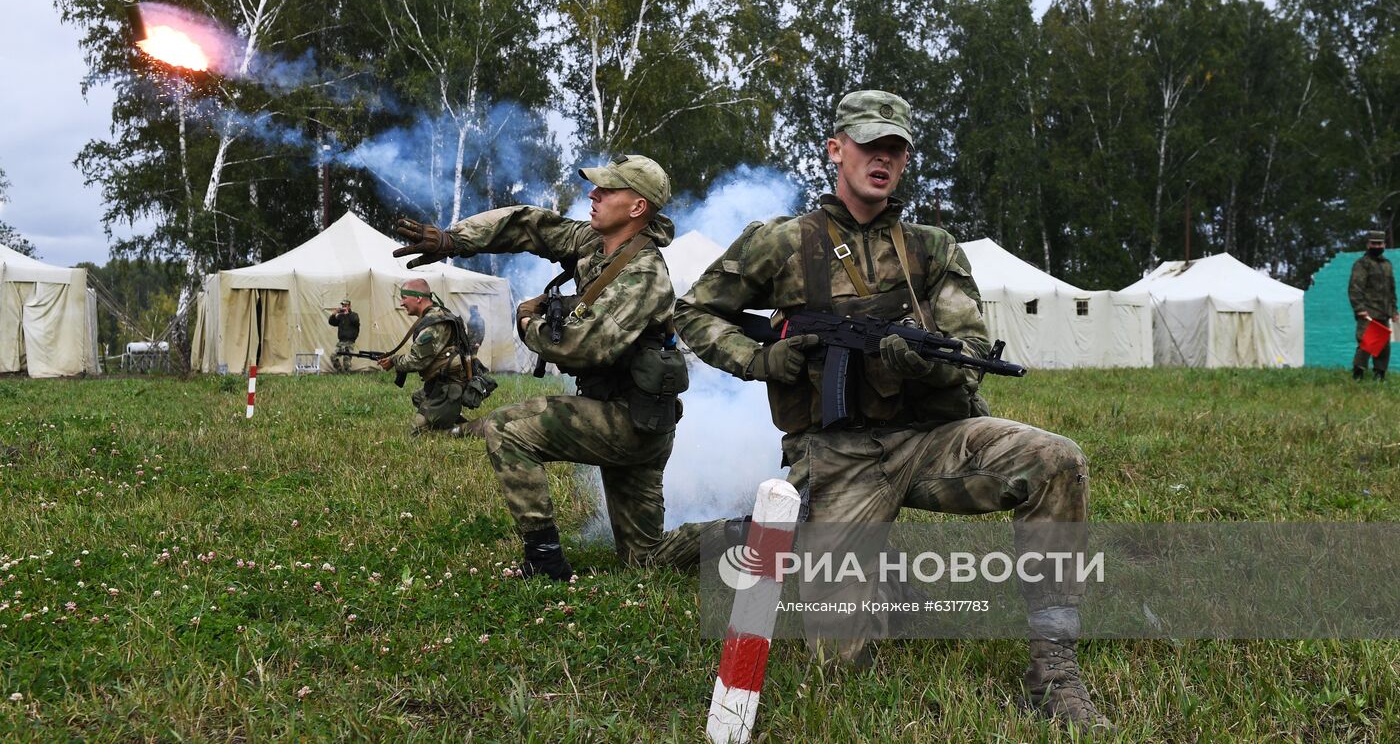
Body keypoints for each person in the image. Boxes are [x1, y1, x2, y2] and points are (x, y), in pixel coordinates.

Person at [671, 91, 1112, 733]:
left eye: (895, 149)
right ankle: (785, 545)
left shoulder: (932, 249)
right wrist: (761, 360)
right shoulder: (782, 244)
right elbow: (694, 311)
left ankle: (1054, 675)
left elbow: (965, 351)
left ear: (904, 162)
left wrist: (924, 362)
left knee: (1055, 460)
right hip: (836, 453)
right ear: (836, 149)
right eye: (869, 145)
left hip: (931, 440)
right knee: (838, 666)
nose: (882, 158)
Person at [391, 155, 690, 582]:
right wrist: (452, 241)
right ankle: (752, 532)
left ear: (638, 208)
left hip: (630, 422)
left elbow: (579, 346)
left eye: (608, 190)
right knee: (646, 558)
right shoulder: (595, 242)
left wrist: (528, 319)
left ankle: (545, 560)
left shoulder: (643, 273)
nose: (594, 194)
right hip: (631, 415)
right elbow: (530, 225)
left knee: (507, 429)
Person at [378, 278, 493, 435]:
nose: (401, 303)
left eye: (404, 298)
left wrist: (394, 361)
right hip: (439, 384)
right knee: (418, 397)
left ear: (418, 298)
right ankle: (448, 418)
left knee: (417, 432)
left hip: (449, 387)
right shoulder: (436, 315)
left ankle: (479, 428)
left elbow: (416, 361)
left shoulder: (435, 323)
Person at [1349, 229, 1396, 380]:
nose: (1377, 246)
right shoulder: (1362, 264)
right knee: (1366, 343)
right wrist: (1359, 309)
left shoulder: (1387, 265)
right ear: (1368, 244)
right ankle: (1358, 375)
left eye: (1380, 243)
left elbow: (1391, 289)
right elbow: (1355, 287)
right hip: (1368, 312)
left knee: (1383, 346)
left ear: (1384, 244)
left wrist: (1394, 310)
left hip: (1384, 312)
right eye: (1374, 243)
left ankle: (1379, 375)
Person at [327, 298, 360, 373]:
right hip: (341, 342)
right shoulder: (340, 316)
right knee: (333, 356)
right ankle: (339, 370)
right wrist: (334, 314)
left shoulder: (354, 315)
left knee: (346, 359)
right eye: (343, 305)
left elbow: (356, 321)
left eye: (346, 305)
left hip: (350, 342)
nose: (344, 307)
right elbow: (332, 322)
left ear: (349, 306)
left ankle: (347, 373)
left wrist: (348, 313)